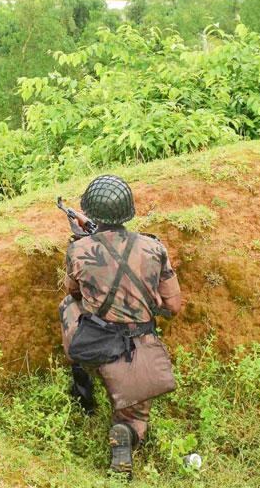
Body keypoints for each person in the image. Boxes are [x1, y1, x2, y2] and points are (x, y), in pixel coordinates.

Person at [58, 175, 183, 477]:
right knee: (133, 416)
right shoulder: (154, 248)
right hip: (137, 348)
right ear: (129, 212)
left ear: (92, 214)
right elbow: (173, 306)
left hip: (94, 340)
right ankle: (126, 433)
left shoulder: (79, 250)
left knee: (67, 307)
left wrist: (81, 242)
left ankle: (81, 377)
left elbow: (72, 291)